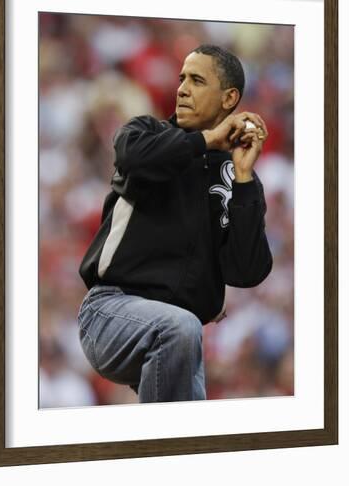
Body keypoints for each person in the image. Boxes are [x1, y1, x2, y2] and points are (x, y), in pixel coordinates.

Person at [77, 44, 273, 403]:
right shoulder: (145, 132)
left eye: (197, 80)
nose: (181, 88)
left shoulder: (235, 178)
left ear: (229, 98)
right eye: (182, 78)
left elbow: (247, 271)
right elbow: (134, 159)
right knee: (180, 327)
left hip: (180, 336)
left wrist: (244, 180)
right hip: (110, 313)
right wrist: (208, 139)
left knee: (195, 438)